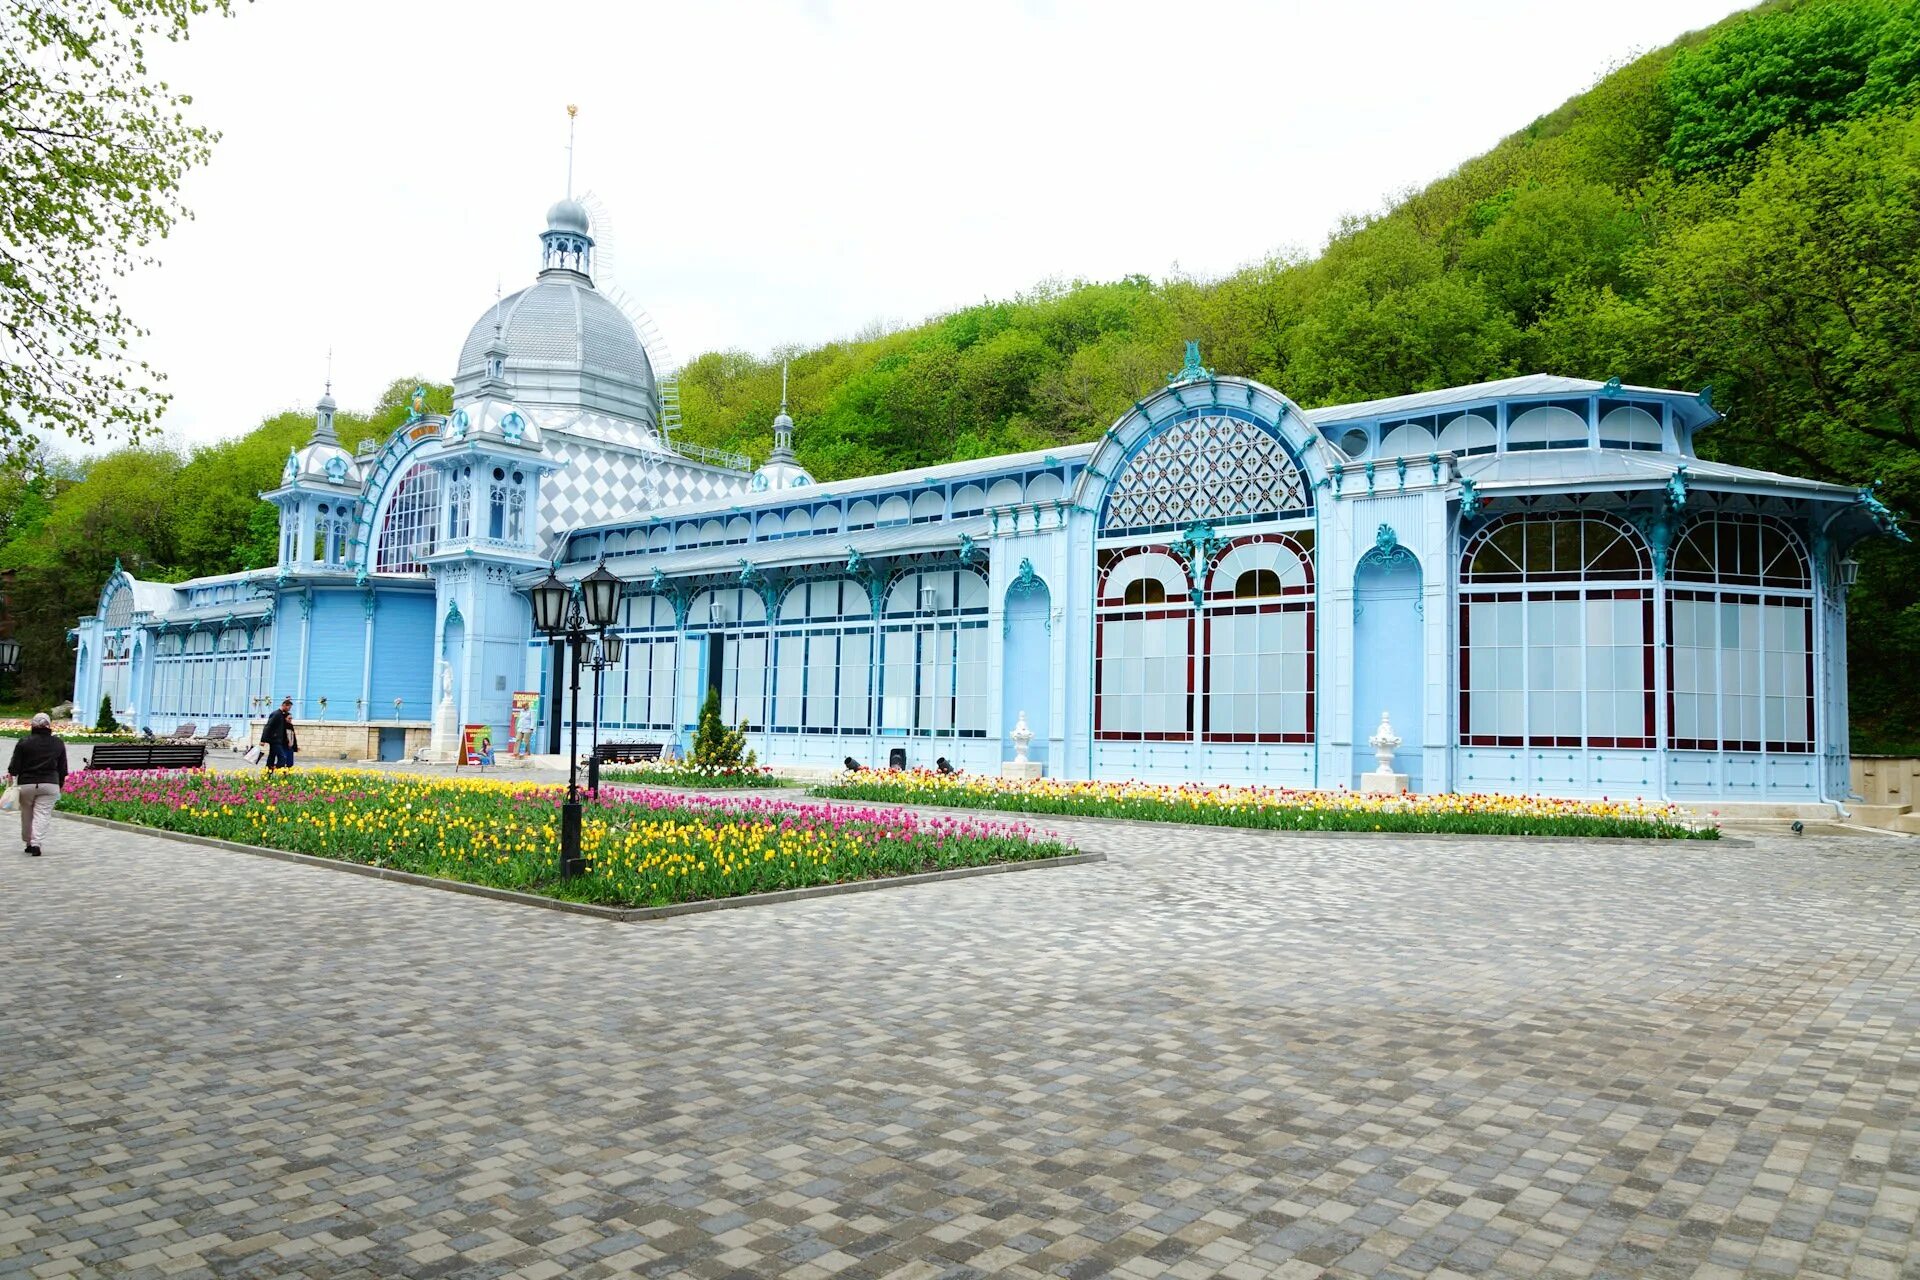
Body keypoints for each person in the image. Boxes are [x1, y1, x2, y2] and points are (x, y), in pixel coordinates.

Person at [6, 712, 69, 857]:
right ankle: (36, 843)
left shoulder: (24, 742)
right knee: (43, 814)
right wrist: (60, 784)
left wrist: (12, 778)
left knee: (26, 813)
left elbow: (14, 766)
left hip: (26, 784)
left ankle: (28, 842)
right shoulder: (58, 743)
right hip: (50, 783)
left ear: (33, 725)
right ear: (49, 725)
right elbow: (63, 768)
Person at [261, 698, 299, 770]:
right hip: (274, 740)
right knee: (282, 757)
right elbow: (268, 726)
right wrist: (263, 740)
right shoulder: (276, 714)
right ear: (284, 705)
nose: (289, 709)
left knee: (271, 757)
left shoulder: (282, 714)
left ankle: (268, 773)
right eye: (289, 707)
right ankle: (278, 771)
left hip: (279, 740)